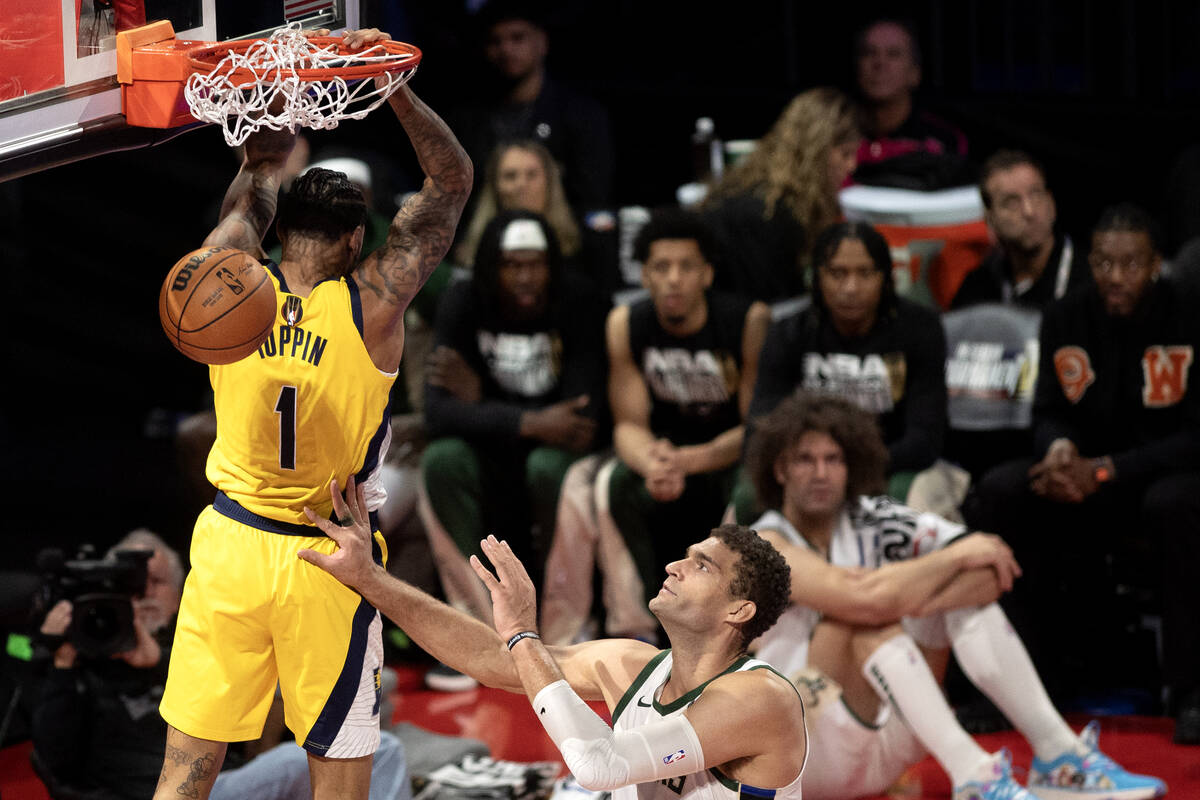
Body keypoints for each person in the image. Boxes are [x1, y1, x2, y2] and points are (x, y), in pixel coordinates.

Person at [153, 27, 473, 800]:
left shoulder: (228, 275)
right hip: (327, 559)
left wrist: (261, 158)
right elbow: (452, 180)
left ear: (279, 230)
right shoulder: (375, 303)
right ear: (357, 238)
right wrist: (389, 85)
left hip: (230, 544)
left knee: (184, 772)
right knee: (340, 777)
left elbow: (248, 195)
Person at [744, 392, 1168, 800]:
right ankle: (972, 771)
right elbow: (861, 597)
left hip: (889, 743)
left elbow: (990, 572)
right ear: (780, 470)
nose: (821, 472)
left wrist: (911, 594)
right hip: (805, 752)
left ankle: (1058, 754)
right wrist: (941, 566)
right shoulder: (765, 541)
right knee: (853, 619)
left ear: (850, 464)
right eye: (805, 460)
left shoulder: (877, 518)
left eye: (833, 459)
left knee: (949, 597)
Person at [298, 477, 808, 800]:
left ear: (740, 609)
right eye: (686, 554)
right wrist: (369, 578)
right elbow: (496, 659)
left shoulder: (762, 698)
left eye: (702, 565)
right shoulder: (632, 664)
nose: (674, 565)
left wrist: (523, 634)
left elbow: (599, 764)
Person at [967, 203, 1200, 744]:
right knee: (1000, 493)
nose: (1114, 278)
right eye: (1103, 263)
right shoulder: (1066, 316)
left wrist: (1110, 469)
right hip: (1084, 472)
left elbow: (1196, 438)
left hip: (1158, 472)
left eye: (1129, 264)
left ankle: (1190, 692)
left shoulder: (1189, 315)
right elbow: (1048, 410)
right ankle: (1009, 683)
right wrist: (1058, 451)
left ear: (1156, 265)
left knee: (1176, 505)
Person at [32, 530, 413, 800]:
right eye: (131, 585)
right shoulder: (78, 661)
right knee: (383, 750)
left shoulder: (196, 633)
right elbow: (56, 762)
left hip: (229, 778)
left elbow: (243, 722)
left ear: (182, 589)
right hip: (169, 790)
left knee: (376, 687)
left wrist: (157, 662)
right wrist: (62, 662)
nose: (144, 595)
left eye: (156, 582)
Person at [420, 210, 606, 630]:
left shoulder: (578, 299)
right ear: (491, 267)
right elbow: (438, 413)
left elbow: (581, 423)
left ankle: (567, 627)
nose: (525, 278)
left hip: (554, 456)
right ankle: (475, 627)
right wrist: (532, 421)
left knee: (549, 466)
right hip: (496, 449)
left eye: (535, 265)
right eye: (512, 266)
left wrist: (483, 399)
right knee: (441, 461)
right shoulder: (465, 299)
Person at [603, 209, 770, 625]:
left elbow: (759, 430)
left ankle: (735, 624)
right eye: (661, 267)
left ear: (707, 274)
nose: (673, 278)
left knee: (752, 492)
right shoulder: (626, 323)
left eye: (686, 267)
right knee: (616, 483)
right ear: (644, 275)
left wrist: (688, 460)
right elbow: (627, 424)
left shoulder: (747, 321)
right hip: (666, 454)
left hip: (728, 456)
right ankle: (636, 627)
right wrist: (652, 463)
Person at [746, 221, 947, 509]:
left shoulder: (921, 329)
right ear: (817, 277)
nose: (851, 288)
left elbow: (925, 439)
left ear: (885, 277)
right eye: (837, 273)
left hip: (893, 463)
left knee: (907, 495)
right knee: (748, 495)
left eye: (865, 273)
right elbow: (762, 427)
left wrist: (844, 467)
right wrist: (810, 467)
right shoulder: (788, 333)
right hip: (806, 463)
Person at [447, 0, 615, 226]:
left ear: (542, 42)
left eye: (518, 37)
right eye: (495, 41)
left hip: (563, 243)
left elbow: (593, 198)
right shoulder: (466, 119)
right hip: (484, 242)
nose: (506, 49)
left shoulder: (581, 115)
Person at [702, 87, 861, 303]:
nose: (852, 165)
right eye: (845, 154)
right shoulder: (764, 213)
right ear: (816, 152)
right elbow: (768, 312)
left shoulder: (785, 202)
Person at [951, 149, 1089, 310]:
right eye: (1011, 202)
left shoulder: (1090, 280)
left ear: (1051, 203)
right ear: (990, 218)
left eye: (1035, 194)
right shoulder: (978, 289)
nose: (1029, 211)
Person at [851, 18, 969, 190]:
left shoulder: (945, 140)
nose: (879, 63)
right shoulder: (835, 137)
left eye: (893, 54)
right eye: (869, 53)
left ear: (915, 73)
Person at [452, 139, 581, 269]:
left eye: (532, 175)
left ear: (549, 182)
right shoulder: (470, 257)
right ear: (495, 186)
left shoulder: (582, 255)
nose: (521, 185)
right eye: (510, 176)